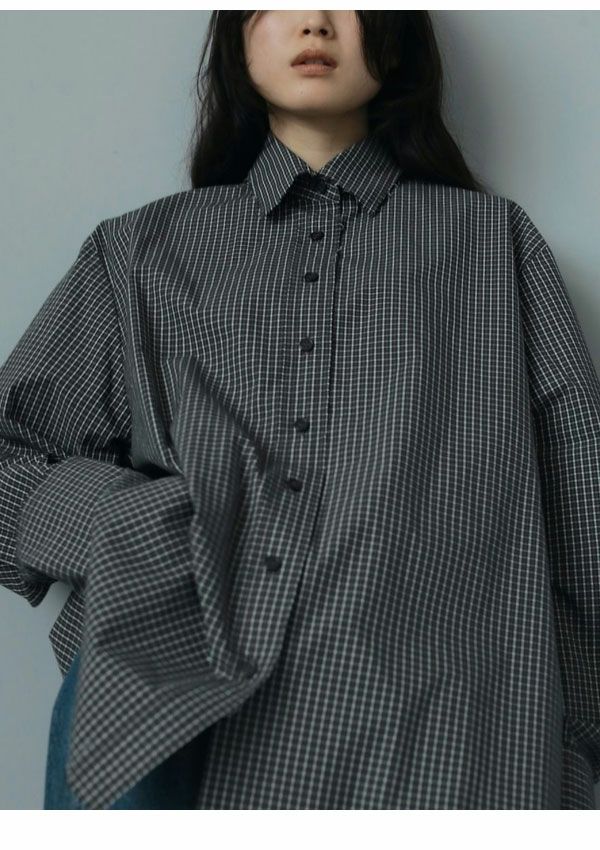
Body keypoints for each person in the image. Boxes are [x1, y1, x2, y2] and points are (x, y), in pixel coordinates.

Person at [1, 10, 598, 810]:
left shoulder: (493, 246)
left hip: (446, 743)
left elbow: (582, 514)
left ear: (396, 42)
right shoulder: (141, 249)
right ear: (237, 40)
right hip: (167, 732)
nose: (315, 20)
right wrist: (128, 524)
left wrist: (574, 750)